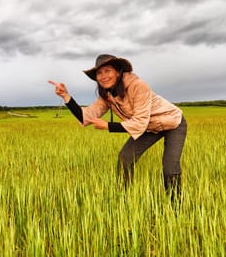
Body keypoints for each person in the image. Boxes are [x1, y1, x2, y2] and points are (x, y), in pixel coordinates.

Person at [48, 54, 187, 202]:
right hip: (148, 127)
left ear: (118, 72)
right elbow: (85, 116)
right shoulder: (107, 96)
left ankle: (176, 207)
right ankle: (124, 199)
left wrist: (108, 126)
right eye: (99, 73)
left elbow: (140, 122)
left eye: (107, 71)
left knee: (170, 167)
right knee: (125, 158)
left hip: (173, 123)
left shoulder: (138, 86)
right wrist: (66, 96)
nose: (103, 76)